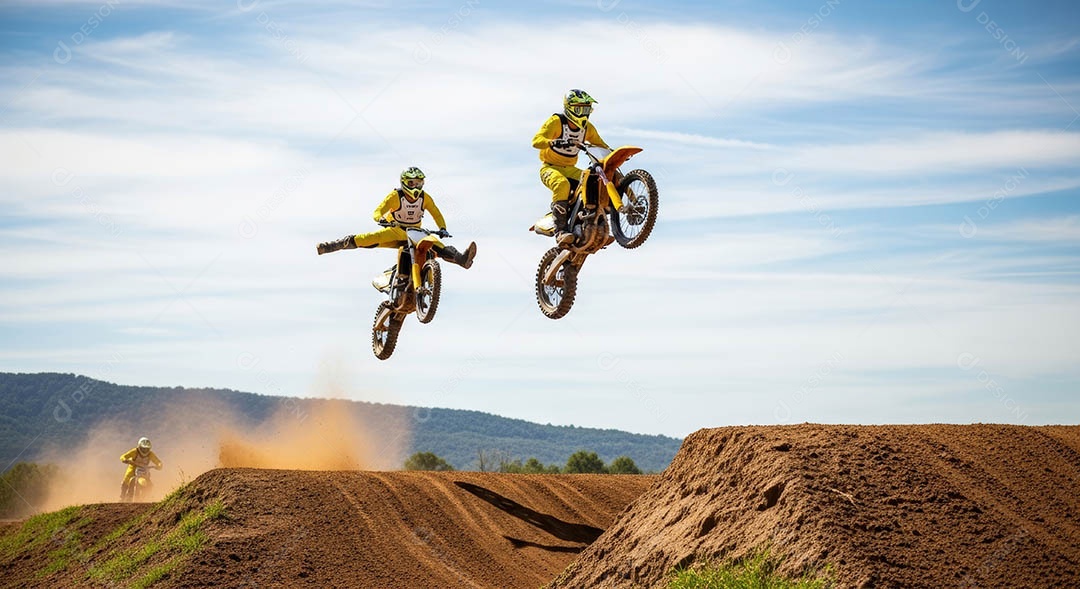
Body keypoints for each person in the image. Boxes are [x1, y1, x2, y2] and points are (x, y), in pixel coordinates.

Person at [316, 167, 477, 269]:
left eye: (420, 183)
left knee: (436, 243)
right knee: (368, 238)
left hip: (416, 231)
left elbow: (436, 213)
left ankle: (462, 259)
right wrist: (381, 219)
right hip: (396, 230)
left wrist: (442, 228)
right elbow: (378, 211)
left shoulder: (425, 198)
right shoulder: (395, 195)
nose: (417, 187)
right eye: (413, 183)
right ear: (405, 183)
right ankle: (332, 245)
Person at [531, 89, 611, 245]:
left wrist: (612, 153)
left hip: (571, 169)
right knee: (562, 185)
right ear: (569, 108)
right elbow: (536, 141)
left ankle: (595, 226)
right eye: (578, 109)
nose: (582, 113)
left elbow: (600, 145)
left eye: (586, 109)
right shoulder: (556, 122)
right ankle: (561, 232)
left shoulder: (587, 128)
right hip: (550, 168)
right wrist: (552, 141)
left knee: (595, 181)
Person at [120, 436, 162, 502]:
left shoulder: (150, 454)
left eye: (146, 449)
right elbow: (123, 456)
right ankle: (122, 497)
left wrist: (159, 465)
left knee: (149, 483)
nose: (145, 450)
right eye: (143, 448)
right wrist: (125, 460)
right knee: (127, 478)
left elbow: (157, 461)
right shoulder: (135, 451)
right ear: (139, 446)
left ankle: (146, 497)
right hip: (133, 468)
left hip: (144, 470)